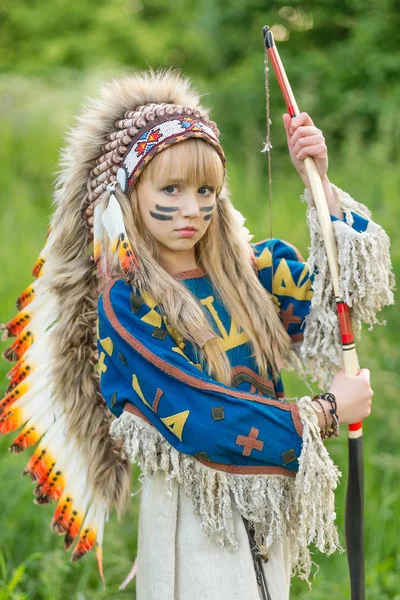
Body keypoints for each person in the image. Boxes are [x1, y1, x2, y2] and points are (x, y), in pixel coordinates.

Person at [0, 69, 394, 600]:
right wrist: (323, 411)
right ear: (129, 192)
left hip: (263, 510)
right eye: (172, 189)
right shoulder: (128, 305)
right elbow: (199, 417)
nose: (192, 209)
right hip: (193, 518)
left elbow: (338, 298)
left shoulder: (250, 273)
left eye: (206, 189)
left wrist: (319, 185)